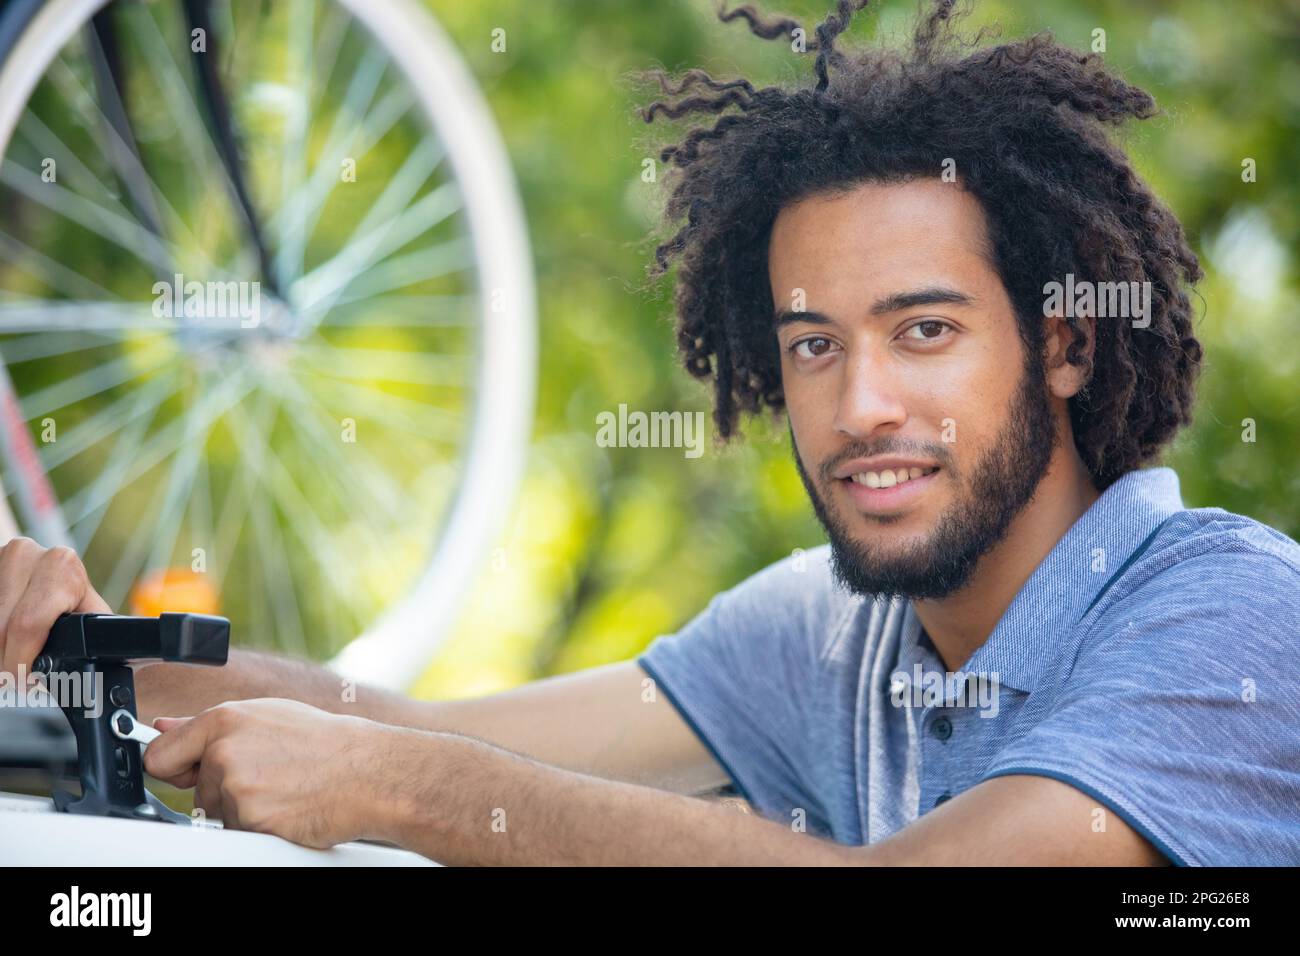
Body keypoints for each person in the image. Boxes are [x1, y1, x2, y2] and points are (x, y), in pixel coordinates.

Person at [1, 0, 1297, 865]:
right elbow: (401, 723)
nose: (859, 409)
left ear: (1066, 342)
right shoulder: (827, 640)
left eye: (923, 332)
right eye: (812, 346)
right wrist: (70, 647)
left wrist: (398, 793)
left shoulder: (1234, 617)